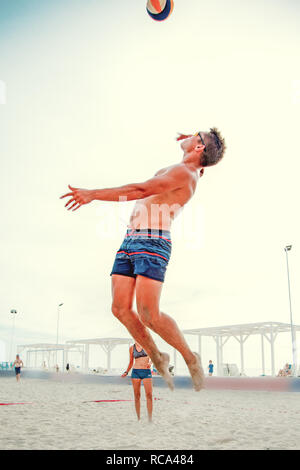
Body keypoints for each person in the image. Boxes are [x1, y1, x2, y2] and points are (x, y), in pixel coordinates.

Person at [61, 129, 226, 390]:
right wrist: (189, 140)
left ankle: (190, 358)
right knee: (120, 309)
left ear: (199, 148)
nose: (191, 134)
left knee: (149, 314)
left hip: (153, 243)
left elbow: (140, 190)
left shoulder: (185, 173)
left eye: (196, 134)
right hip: (130, 240)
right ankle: (157, 356)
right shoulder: (187, 168)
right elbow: (199, 156)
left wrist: (93, 194)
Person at [122, 342, 153, 421]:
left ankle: (150, 418)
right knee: (137, 396)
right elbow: (131, 362)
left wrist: (150, 363)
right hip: (136, 372)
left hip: (146, 372)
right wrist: (126, 372)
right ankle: (138, 418)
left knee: (149, 395)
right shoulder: (132, 348)